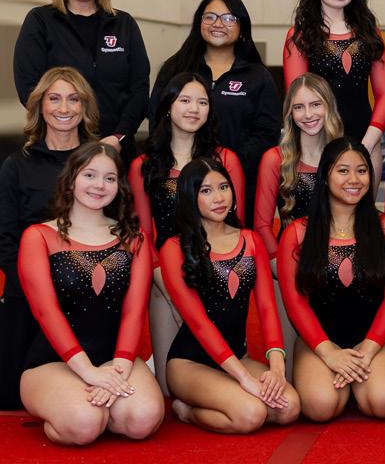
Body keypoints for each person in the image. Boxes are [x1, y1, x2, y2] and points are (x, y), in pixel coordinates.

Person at [18, 142, 163, 444]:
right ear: (71, 178)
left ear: (119, 186)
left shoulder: (133, 239)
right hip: (54, 362)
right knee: (83, 424)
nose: (99, 185)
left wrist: (119, 368)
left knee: (143, 420)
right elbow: (46, 312)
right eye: (89, 175)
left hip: (115, 359)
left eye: (110, 178)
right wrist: (87, 371)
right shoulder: (39, 236)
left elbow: (134, 311)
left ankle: (103, 409)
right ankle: (79, 410)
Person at [161, 158, 300, 433]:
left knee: (289, 408)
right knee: (250, 415)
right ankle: (187, 411)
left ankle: (235, 390)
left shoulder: (251, 240)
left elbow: (267, 309)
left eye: (223, 187)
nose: (219, 198)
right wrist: (244, 378)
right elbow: (198, 322)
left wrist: (276, 367)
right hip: (190, 363)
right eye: (206, 190)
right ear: (190, 197)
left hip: (239, 356)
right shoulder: (174, 248)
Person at [277, 138, 385, 422]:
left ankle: (358, 379)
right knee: (321, 406)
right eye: (343, 171)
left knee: (384, 402)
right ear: (325, 176)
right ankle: (341, 379)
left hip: (373, 338)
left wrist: (369, 348)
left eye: (362, 171)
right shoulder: (298, 233)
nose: (354, 179)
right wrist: (328, 352)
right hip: (319, 340)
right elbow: (296, 303)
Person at [130, 72, 245, 392]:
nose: (194, 108)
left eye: (202, 102)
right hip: (165, 279)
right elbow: (142, 234)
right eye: (185, 100)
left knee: (223, 376)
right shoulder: (144, 165)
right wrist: (170, 289)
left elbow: (237, 228)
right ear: (168, 105)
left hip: (216, 277)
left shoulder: (225, 160)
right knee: (169, 389)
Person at [0, 67, 99, 409]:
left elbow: (116, 228)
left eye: (74, 99)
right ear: (40, 106)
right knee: (11, 401)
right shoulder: (16, 165)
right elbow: (5, 237)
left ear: (85, 107)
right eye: (54, 98)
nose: (64, 108)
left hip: (86, 295)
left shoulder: (99, 162)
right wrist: (35, 289)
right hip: (27, 294)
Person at [153, 0, 280, 229]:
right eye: (210, 17)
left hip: (236, 181)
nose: (218, 24)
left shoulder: (257, 76)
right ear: (198, 22)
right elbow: (157, 118)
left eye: (229, 18)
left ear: (242, 27)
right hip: (180, 180)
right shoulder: (175, 68)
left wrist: (225, 164)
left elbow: (267, 133)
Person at [13, 0, 148, 157]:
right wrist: (66, 135)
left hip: (116, 150)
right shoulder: (40, 21)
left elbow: (139, 88)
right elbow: (29, 88)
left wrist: (119, 136)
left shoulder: (124, 24)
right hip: (60, 150)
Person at [283, 0, 385, 159]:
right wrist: (323, 147)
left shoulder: (370, 33)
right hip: (318, 144)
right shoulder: (300, 36)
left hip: (366, 140)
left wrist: (367, 143)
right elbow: (298, 98)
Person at [254, 73, 344, 258]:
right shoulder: (275, 159)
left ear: (329, 105)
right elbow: (262, 226)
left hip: (338, 258)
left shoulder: (345, 155)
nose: (308, 114)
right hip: (291, 258)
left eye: (316, 104)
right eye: (299, 107)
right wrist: (281, 266)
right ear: (290, 113)